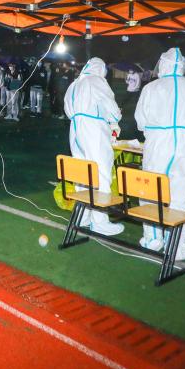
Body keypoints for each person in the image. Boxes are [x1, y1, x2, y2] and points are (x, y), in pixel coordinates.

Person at [134, 48, 185, 259]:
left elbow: (140, 120)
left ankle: (152, 238)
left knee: (151, 191)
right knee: (181, 195)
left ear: (163, 65)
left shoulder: (151, 88)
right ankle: (177, 245)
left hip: (157, 145)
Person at [63, 57, 124, 236]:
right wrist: (114, 119)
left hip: (75, 128)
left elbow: (67, 108)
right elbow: (111, 108)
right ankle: (100, 221)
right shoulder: (97, 81)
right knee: (101, 173)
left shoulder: (74, 84)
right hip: (94, 129)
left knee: (82, 173)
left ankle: (82, 217)